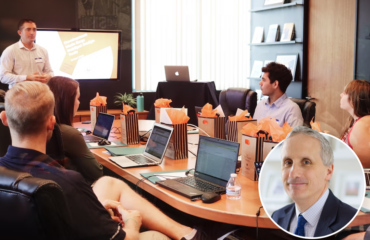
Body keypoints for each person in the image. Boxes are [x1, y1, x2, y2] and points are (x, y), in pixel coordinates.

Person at [0, 81, 206, 240]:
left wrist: (94, 206)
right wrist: (133, 222)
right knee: (158, 236)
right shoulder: (67, 182)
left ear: (4, 119)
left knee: (109, 183)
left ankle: (187, 232)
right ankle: (186, 233)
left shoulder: (8, 173)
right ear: (51, 123)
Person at [272, 126, 357, 238]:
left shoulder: (352, 222)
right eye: (288, 162)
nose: (293, 174)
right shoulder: (277, 217)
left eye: (306, 162)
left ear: (328, 172)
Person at [47, 76, 103, 185]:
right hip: (77, 190)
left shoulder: (41, 127)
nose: (79, 103)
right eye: (77, 98)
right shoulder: (69, 133)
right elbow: (97, 173)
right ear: (67, 101)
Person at [0, 19, 53, 89]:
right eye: (28, 29)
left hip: (40, 93)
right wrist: (27, 77)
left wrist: (48, 76)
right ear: (19, 32)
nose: (32, 33)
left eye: (34, 29)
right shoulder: (10, 51)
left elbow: (50, 72)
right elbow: (3, 77)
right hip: (19, 95)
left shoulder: (43, 50)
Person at [253, 62, 303, 127]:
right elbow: (252, 132)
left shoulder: (292, 109)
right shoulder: (260, 104)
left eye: (264, 80)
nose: (260, 83)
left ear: (275, 84)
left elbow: (295, 137)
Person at [340, 79, 370, 168]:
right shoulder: (357, 121)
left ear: (353, 99)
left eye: (345, 93)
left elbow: (364, 166)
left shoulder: (363, 124)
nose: (340, 95)